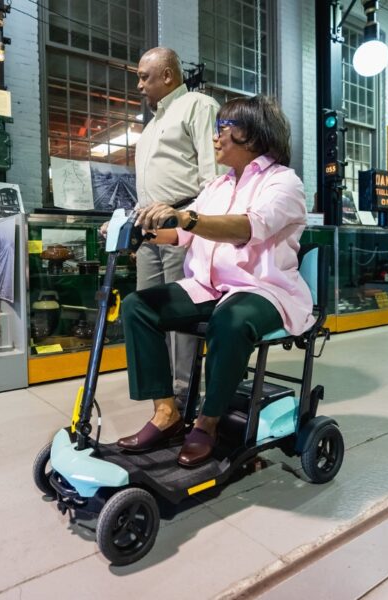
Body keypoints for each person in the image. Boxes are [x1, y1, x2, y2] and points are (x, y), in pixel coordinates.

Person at [116, 95, 315, 467]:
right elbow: (183, 236)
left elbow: (249, 227)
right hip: (209, 287)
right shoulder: (218, 186)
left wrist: (187, 218)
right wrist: (142, 233)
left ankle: (207, 423)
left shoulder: (284, 182)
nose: (216, 136)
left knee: (231, 320)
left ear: (253, 135)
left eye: (224, 127)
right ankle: (166, 412)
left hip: (264, 290)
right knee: (138, 306)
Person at [132, 46, 221, 409]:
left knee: (182, 312)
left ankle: (185, 391)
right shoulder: (151, 126)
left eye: (143, 76)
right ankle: (160, 397)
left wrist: (197, 222)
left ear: (168, 75)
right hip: (148, 229)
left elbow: (213, 178)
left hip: (183, 221)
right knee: (144, 308)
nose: (138, 85)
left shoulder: (199, 106)